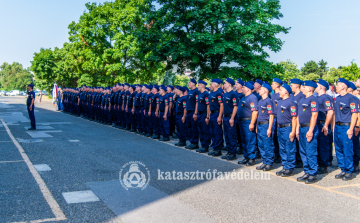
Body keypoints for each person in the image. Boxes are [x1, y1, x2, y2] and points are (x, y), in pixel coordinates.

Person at [332, 78, 358, 181]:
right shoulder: (337, 98)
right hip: (338, 126)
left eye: (337, 85)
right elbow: (335, 113)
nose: (336, 87)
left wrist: (351, 128)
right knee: (338, 149)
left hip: (346, 127)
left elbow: (355, 114)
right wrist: (333, 127)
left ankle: (349, 171)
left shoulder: (352, 98)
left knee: (347, 149)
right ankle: (343, 169)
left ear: (343, 86)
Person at [296, 81, 320, 184]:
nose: (302, 88)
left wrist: (310, 131)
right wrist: (297, 129)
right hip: (301, 128)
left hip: (309, 128)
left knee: (310, 151)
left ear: (310, 89)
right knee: (303, 151)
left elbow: (314, 115)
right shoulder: (302, 100)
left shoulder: (313, 99)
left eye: (304, 87)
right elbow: (298, 116)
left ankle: (313, 174)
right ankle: (307, 171)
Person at [276, 83, 298, 177]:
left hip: (288, 128)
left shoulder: (291, 102)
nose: (279, 92)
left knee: (289, 148)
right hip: (281, 128)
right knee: (282, 149)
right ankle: (285, 166)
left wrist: (293, 131)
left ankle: (290, 168)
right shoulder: (280, 102)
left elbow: (294, 118)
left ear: (286, 91)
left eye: (281, 90)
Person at [315, 79, 334, 174]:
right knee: (318, 146)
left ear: (321, 87)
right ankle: (320, 164)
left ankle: (324, 165)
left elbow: (330, 112)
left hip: (322, 124)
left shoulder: (326, 97)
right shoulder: (317, 97)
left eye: (317, 85)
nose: (315, 87)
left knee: (323, 146)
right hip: (317, 124)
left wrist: (326, 125)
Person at [237, 82, 259, 166]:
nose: (242, 88)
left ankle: (251, 158)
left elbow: (254, 111)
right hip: (241, 121)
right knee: (244, 140)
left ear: (248, 89)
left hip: (248, 121)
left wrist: (252, 123)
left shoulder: (252, 97)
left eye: (243, 87)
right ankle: (246, 156)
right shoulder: (243, 97)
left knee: (250, 139)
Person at [256, 83, 275, 171]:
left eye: (261, 89)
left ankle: (269, 163)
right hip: (260, 125)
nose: (259, 90)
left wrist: (269, 128)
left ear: (264, 91)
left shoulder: (268, 101)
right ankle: (264, 161)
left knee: (267, 144)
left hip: (266, 125)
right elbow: (259, 115)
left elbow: (271, 115)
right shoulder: (260, 101)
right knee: (261, 144)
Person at [221, 78, 238, 160]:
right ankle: (229, 152)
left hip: (231, 117)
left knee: (232, 136)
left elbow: (235, 106)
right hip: (225, 117)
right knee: (227, 136)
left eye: (225, 83)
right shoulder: (225, 94)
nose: (224, 84)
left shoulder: (233, 94)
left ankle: (233, 153)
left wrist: (232, 118)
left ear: (229, 84)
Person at [208, 79, 224, 157]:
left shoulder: (219, 93)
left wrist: (220, 116)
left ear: (215, 85)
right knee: (212, 132)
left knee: (217, 132)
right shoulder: (211, 93)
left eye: (211, 84)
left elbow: (221, 105)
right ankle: (214, 148)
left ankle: (218, 149)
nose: (210, 86)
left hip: (217, 113)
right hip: (212, 113)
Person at [194, 80, 211, 153]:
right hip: (200, 114)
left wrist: (207, 117)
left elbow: (208, 106)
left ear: (202, 86)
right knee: (200, 130)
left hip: (204, 114)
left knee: (205, 130)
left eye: (198, 85)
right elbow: (197, 104)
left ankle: (205, 146)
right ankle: (202, 145)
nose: (197, 86)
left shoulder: (206, 94)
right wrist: (196, 113)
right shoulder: (199, 94)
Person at [185, 79, 200, 149]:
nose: (189, 84)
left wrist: (195, 113)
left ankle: (195, 143)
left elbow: (197, 103)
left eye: (190, 82)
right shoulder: (189, 91)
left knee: (194, 128)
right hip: (188, 111)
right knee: (189, 127)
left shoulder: (196, 91)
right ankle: (191, 142)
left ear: (194, 84)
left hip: (193, 112)